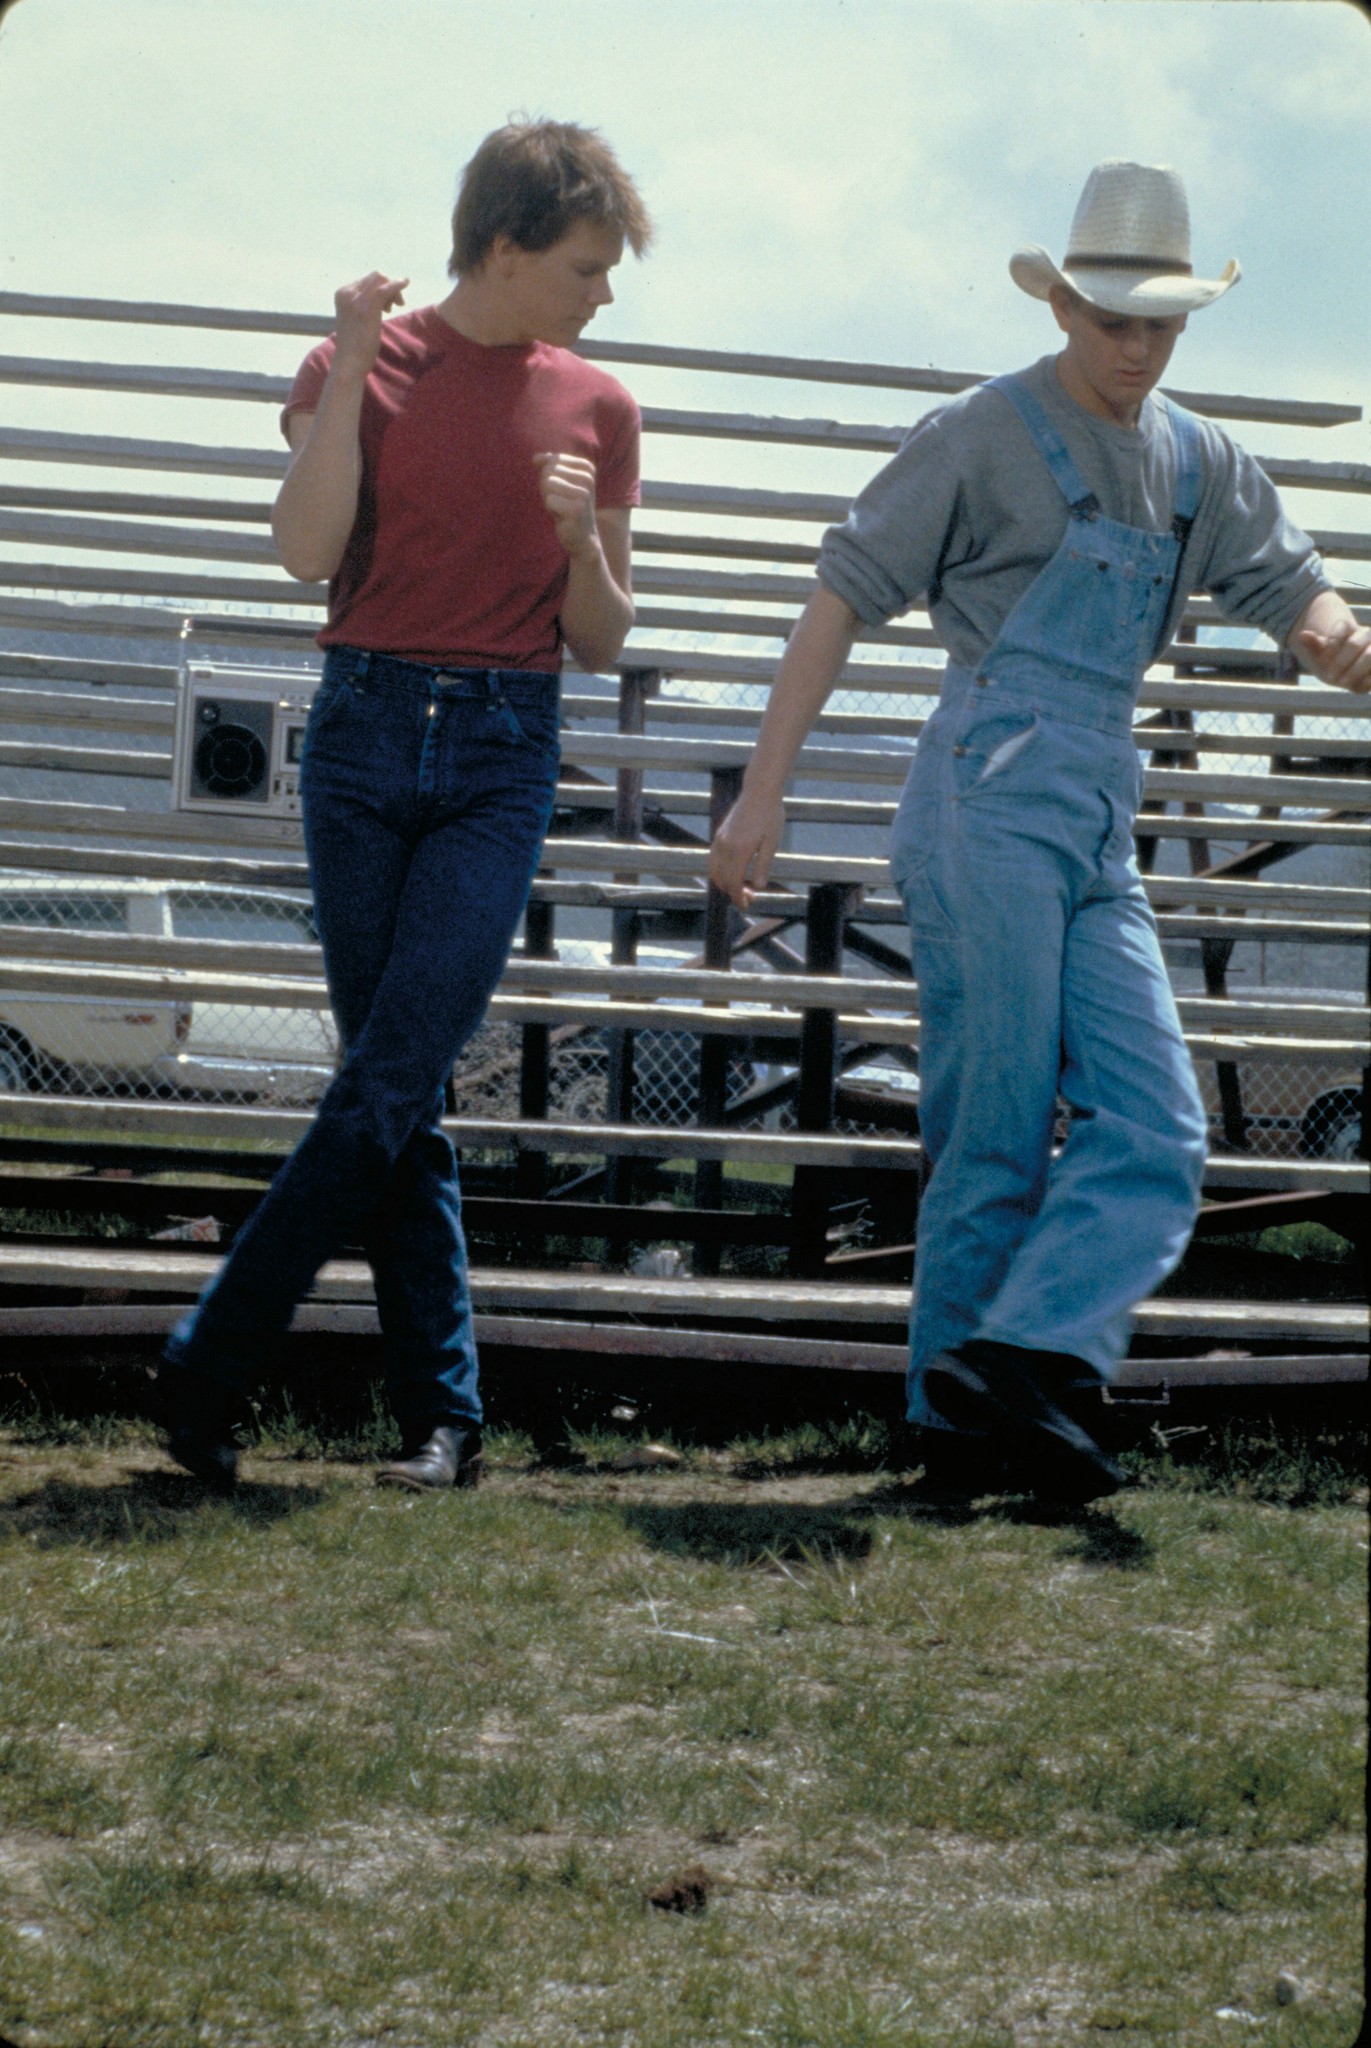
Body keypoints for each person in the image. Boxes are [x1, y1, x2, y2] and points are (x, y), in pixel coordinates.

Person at [710, 160, 1371, 1502]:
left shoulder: (1198, 459)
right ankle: (958, 1422)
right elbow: (842, 593)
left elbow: (1293, 588)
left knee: (1158, 1124)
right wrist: (763, 786)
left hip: (1096, 818)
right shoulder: (978, 436)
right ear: (1064, 303)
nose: (1136, 347)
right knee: (997, 1125)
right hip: (985, 794)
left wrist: (1338, 642)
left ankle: (1027, 1360)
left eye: (1161, 325)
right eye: (1114, 319)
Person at [160, 119, 651, 1492]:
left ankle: (211, 1355)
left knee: (387, 1078)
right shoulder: (355, 360)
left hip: (504, 746)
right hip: (364, 735)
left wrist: (573, 542)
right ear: (503, 248)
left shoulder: (598, 406)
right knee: (404, 1093)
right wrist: (357, 366)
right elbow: (306, 550)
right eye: (585, 265)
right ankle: (446, 1419)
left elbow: (605, 637)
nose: (603, 292)